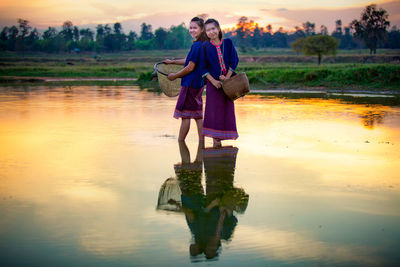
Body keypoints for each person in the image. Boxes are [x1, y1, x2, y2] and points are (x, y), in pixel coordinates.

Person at [164, 17, 208, 142]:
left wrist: (175, 75)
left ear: (201, 29)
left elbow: (190, 67)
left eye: (195, 28)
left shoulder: (197, 46)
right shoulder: (201, 45)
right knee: (198, 116)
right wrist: (172, 61)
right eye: (190, 27)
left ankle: (180, 142)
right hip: (198, 85)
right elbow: (189, 60)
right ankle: (201, 143)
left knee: (185, 116)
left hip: (190, 84)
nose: (192, 30)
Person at [200, 19, 239, 148]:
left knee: (227, 110)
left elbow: (234, 60)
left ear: (218, 29)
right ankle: (216, 141)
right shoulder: (205, 46)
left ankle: (222, 138)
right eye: (208, 30)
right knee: (214, 111)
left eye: (213, 29)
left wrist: (227, 78)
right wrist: (214, 81)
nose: (211, 32)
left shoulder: (228, 43)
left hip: (228, 84)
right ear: (205, 32)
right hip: (213, 85)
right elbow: (203, 67)